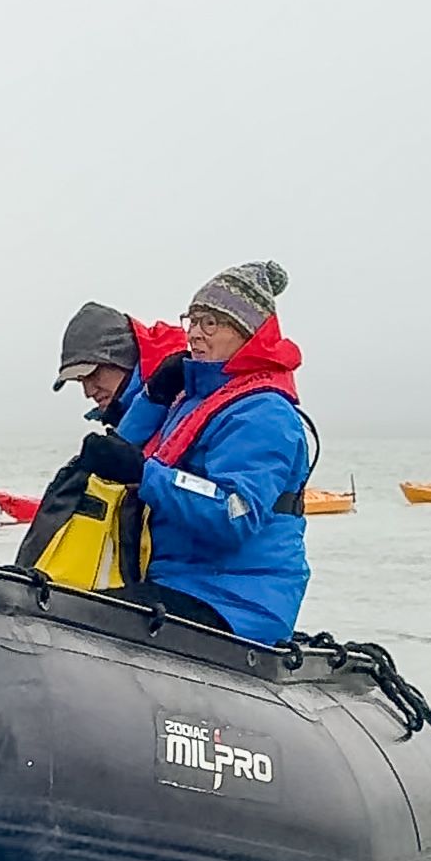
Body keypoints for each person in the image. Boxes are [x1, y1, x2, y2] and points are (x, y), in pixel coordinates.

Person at [72, 259, 312, 642]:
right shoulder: (194, 398)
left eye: (210, 323)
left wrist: (143, 474)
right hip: (180, 582)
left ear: (247, 331)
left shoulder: (264, 414)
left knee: (81, 624)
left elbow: (234, 512)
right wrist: (153, 396)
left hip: (237, 600)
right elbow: (129, 446)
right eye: (193, 320)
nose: (196, 334)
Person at [53, 301, 188, 444]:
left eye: (93, 374)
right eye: (81, 381)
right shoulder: (127, 418)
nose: (88, 392)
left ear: (124, 358)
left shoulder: (187, 400)